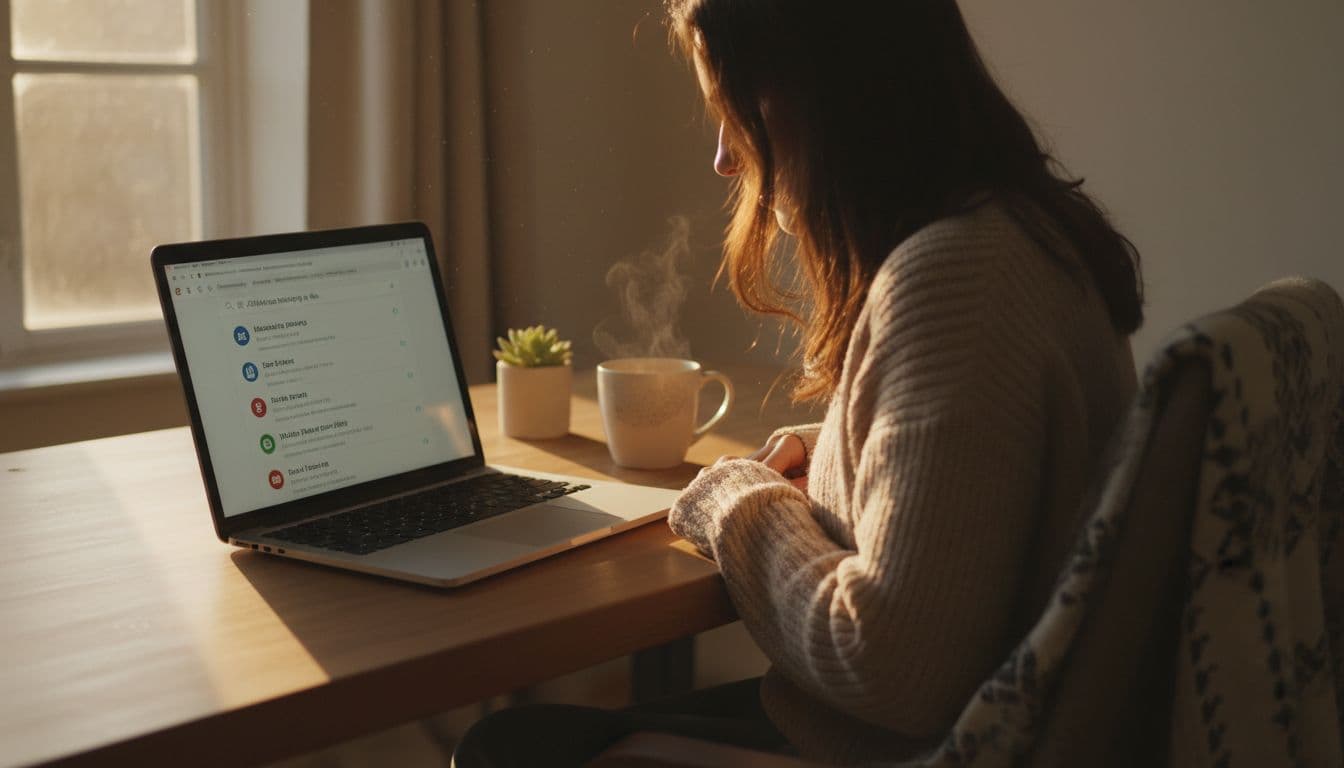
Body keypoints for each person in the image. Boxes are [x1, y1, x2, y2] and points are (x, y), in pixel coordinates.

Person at [454, 0, 1142, 765]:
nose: (722, 156)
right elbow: (993, 474)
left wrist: (736, 501)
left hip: (911, 749)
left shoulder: (953, 280)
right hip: (993, 731)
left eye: (732, 109)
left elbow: (890, 668)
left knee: (505, 749)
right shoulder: (1026, 234)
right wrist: (851, 448)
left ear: (818, 93)